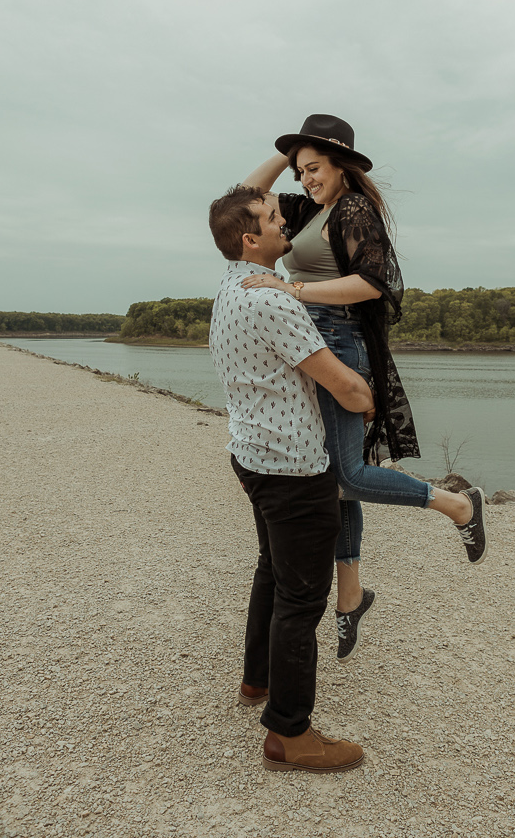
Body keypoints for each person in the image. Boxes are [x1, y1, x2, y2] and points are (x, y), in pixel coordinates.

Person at [240, 114, 486, 662]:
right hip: (309, 341)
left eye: (314, 168)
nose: (305, 180)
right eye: (301, 171)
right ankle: (350, 597)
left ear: (340, 165)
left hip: (341, 342)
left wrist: (293, 287)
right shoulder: (309, 209)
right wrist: (288, 151)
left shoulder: (352, 207)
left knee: (348, 473)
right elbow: (245, 198)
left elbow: (374, 282)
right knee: (331, 477)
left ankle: (459, 505)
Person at [207, 184, 372, 772]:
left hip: (251, 454)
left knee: (272, 572)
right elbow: (343, 385)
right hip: (294, 468)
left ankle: (258, 680)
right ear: (251, 239)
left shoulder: (229, 287)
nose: (286, 226)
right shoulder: (271, 301)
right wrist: (370, 401)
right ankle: (290, 733)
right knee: (303, 598)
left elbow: (234, 206)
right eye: (275, 219)